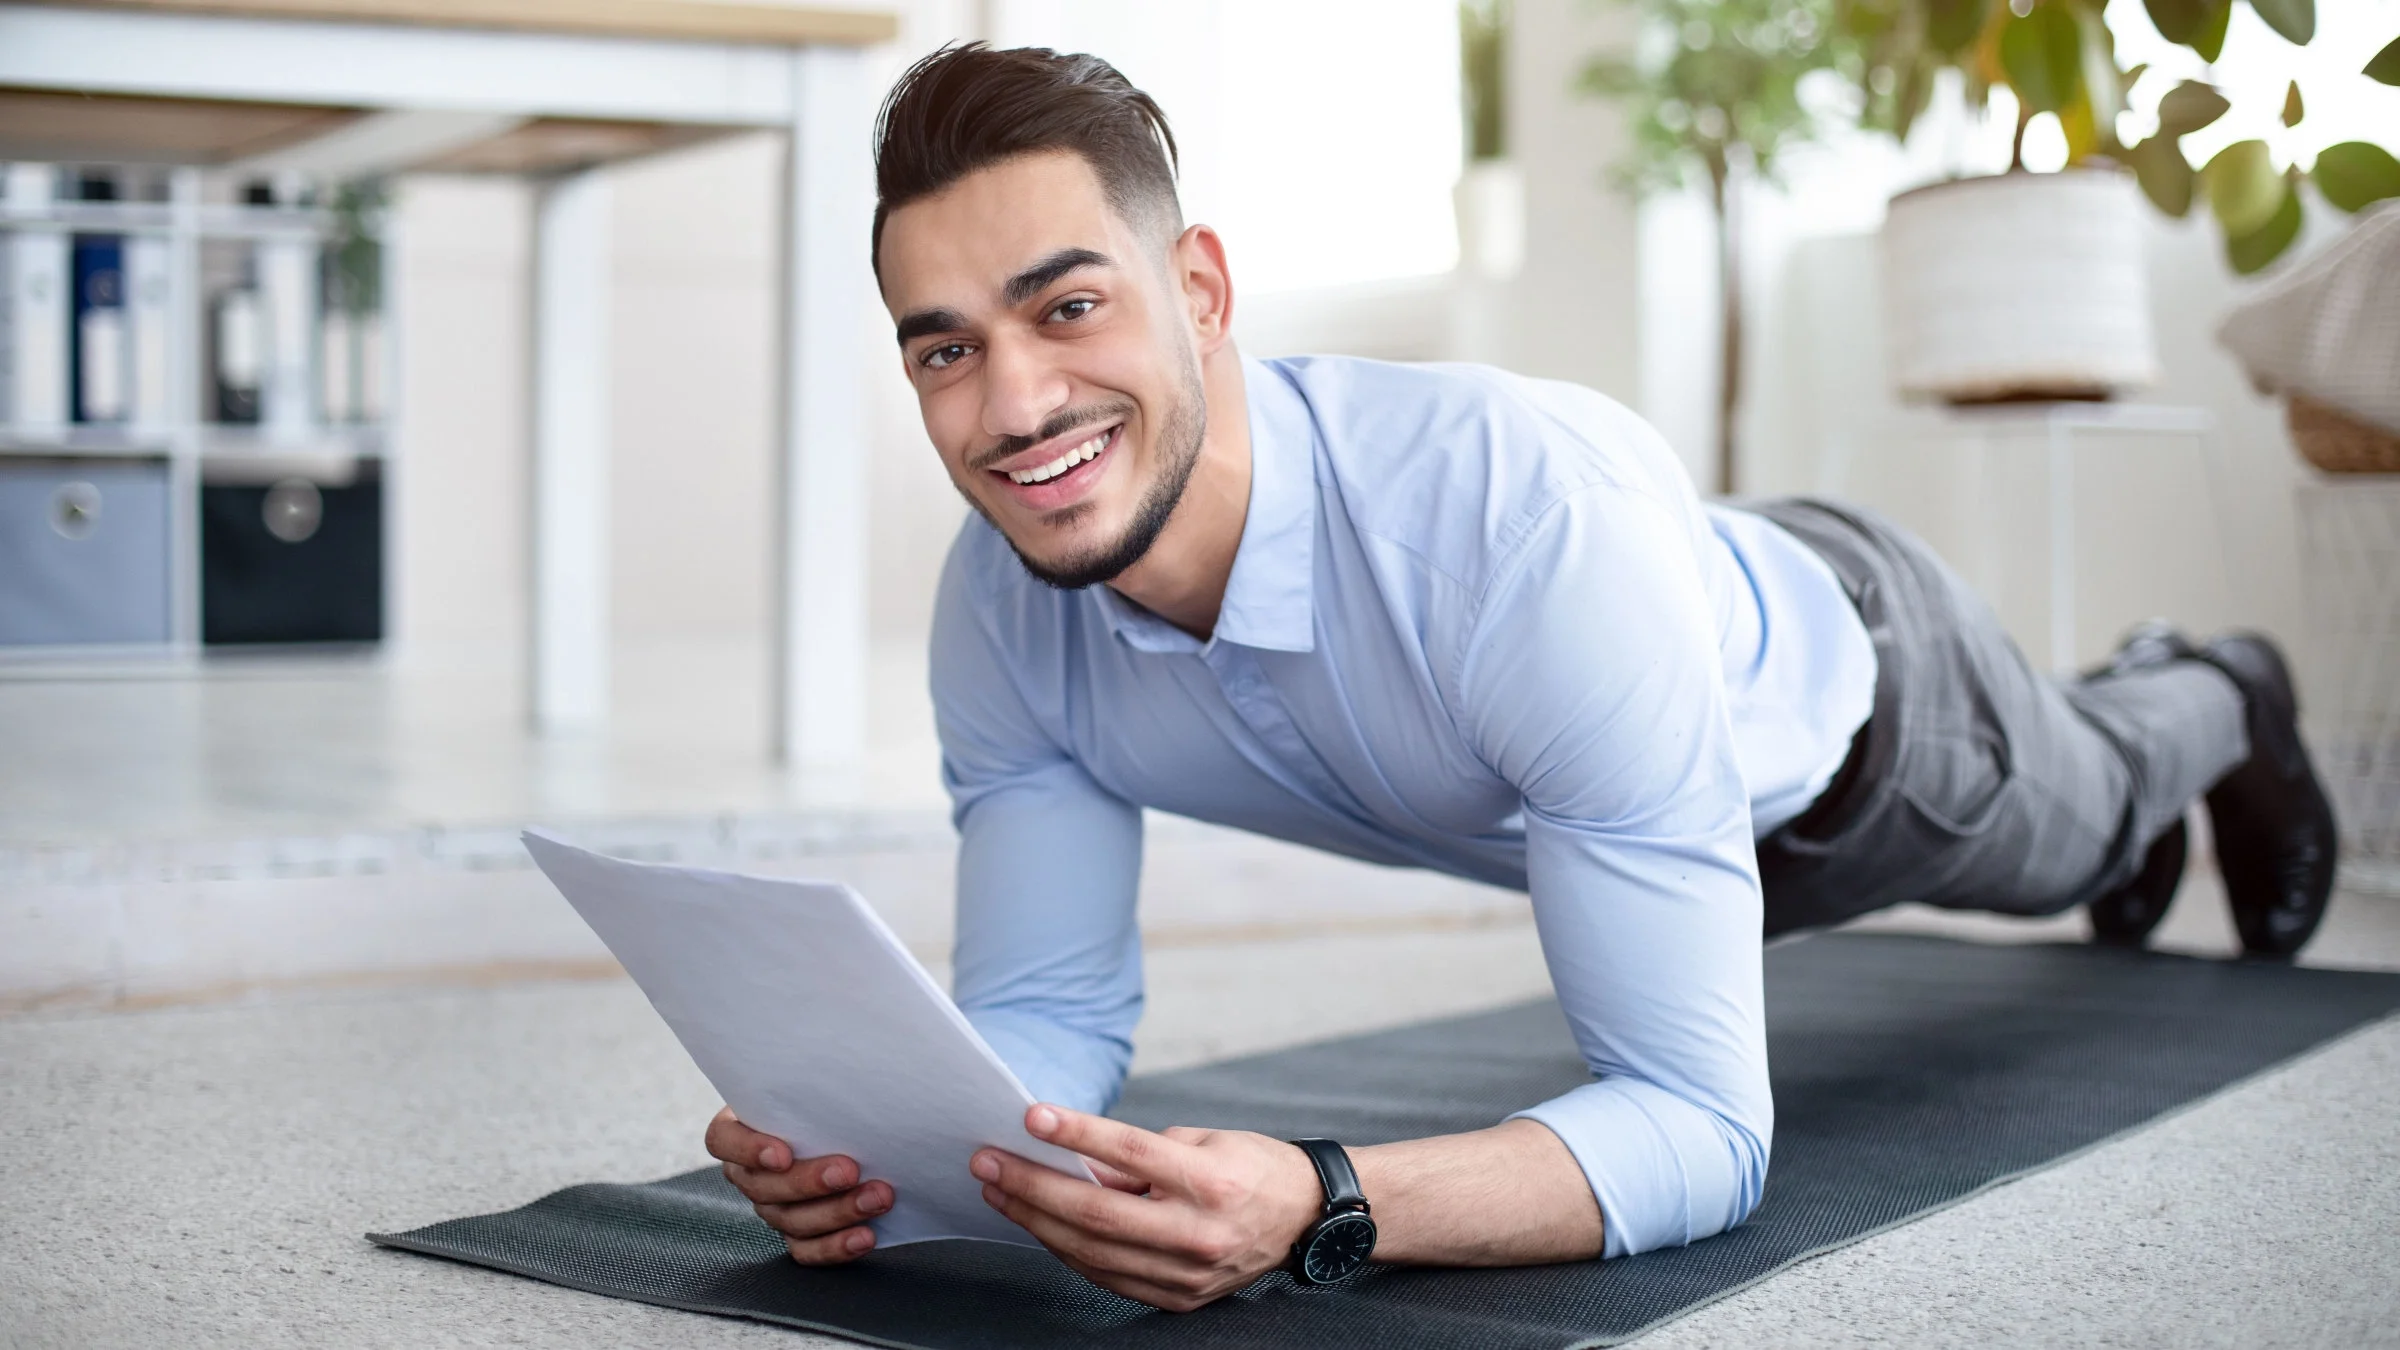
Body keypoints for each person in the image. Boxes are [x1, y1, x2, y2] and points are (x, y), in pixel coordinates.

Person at [705, 43, 2339, 1312]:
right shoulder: (1002, 608)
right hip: (1634, 632)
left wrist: (1325, 1199)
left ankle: (2213, 687)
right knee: (2075, 829)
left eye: (1068, 305)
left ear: (1199, 292)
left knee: (2088, 821)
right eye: (946, 347)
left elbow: (1705, 1128)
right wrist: (905, 1162)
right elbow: (1047, 1014)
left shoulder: (1510, 525)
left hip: (1863, 726)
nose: (1015, 404)